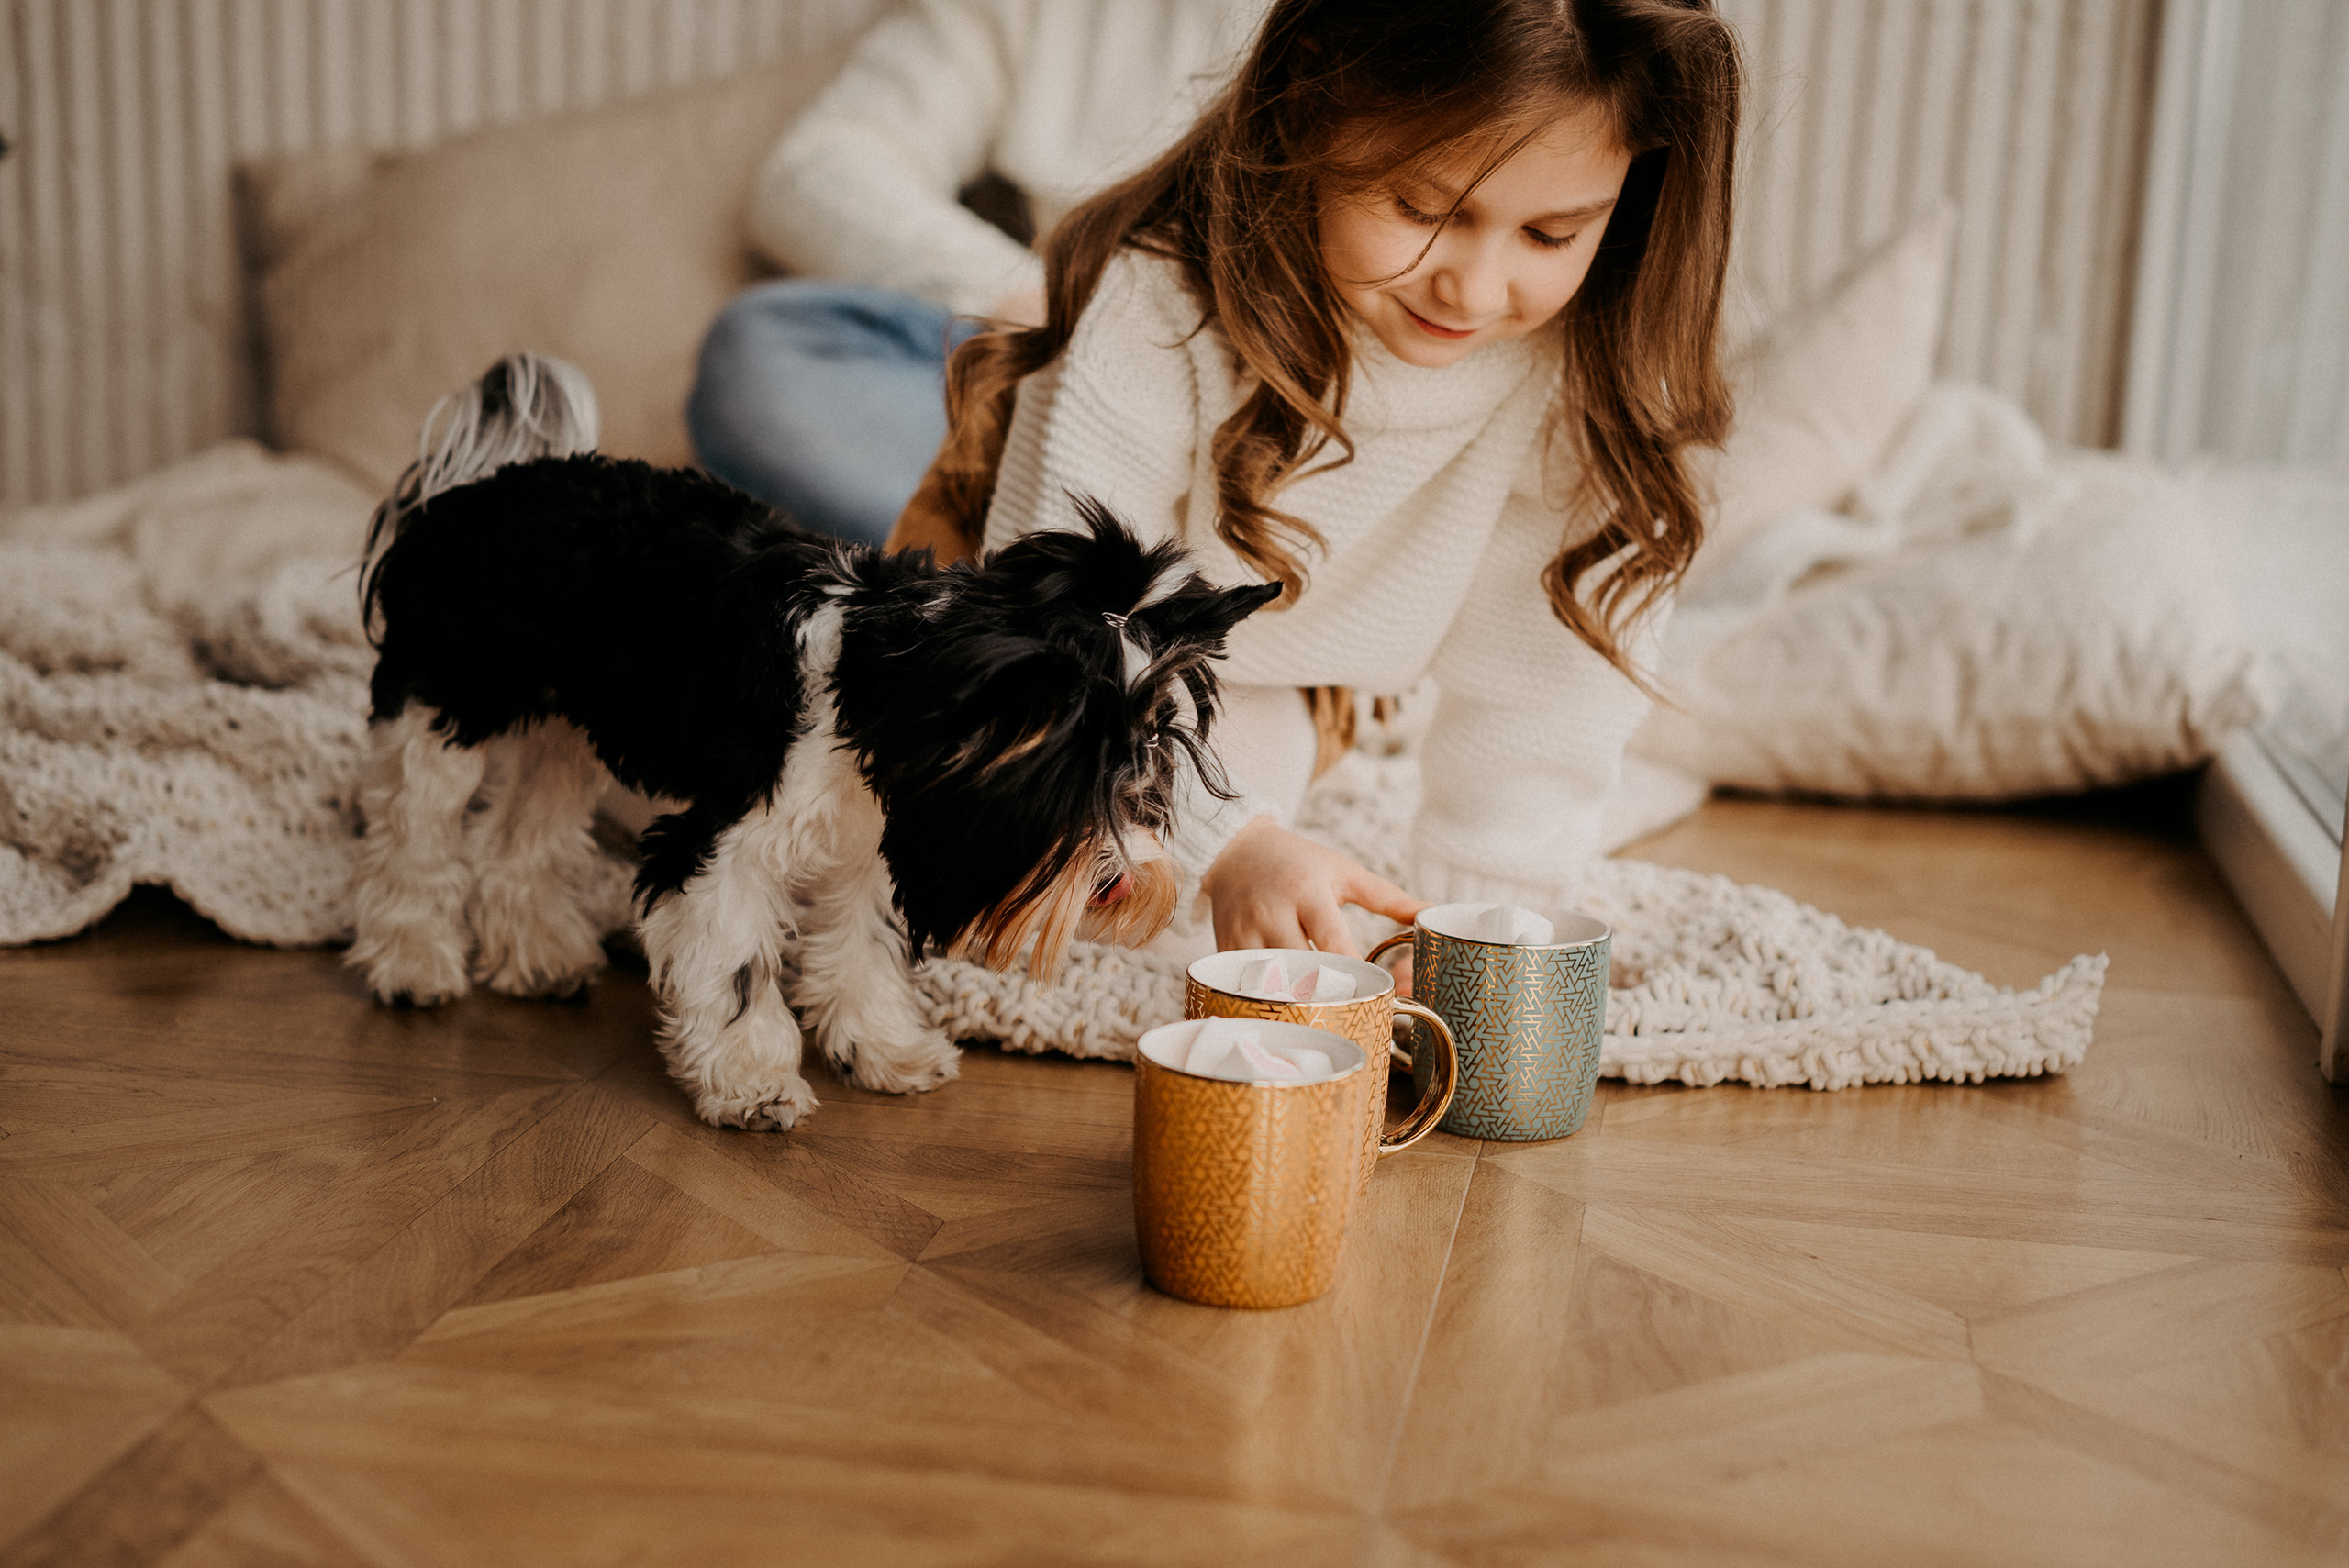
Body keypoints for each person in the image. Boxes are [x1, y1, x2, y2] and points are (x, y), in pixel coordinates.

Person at [897, 0, 1742, 959]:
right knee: (1019, 895)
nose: (1469, 286)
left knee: (1216, 901)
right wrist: (1234, 843)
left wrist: (1487, 926)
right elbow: (1068, 635)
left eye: (1550, 235)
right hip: (1037, 638)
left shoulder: (1585, 367)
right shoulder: (1155, 302)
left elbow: (1546, 689)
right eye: (1422, 210)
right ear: (1307, 98)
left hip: (1280, 670)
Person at [687, 0, 1272, 547]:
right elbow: (817, 171)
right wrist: (1038, 303)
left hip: (1263, 396)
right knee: (760, 353)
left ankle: (1060, 587)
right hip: (1046, 352)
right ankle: (1064, 584)